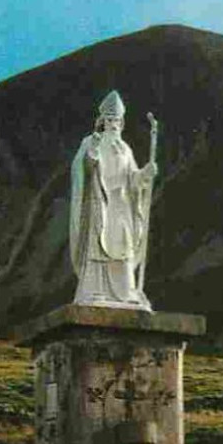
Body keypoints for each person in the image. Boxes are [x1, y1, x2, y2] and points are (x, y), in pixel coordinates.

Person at [69, 90, 158, 310]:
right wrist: (92, 155)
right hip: (101, 200)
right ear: (102, 121)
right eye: (109, 119)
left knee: (123, 245)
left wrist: (146, 173)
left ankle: (126, 292)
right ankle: (95, 290)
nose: (113, 124)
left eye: (117, 120)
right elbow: (83, 169)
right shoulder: (91, 142)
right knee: (99, 243)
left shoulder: (125, 149)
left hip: (122, 204)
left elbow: (133, 179)